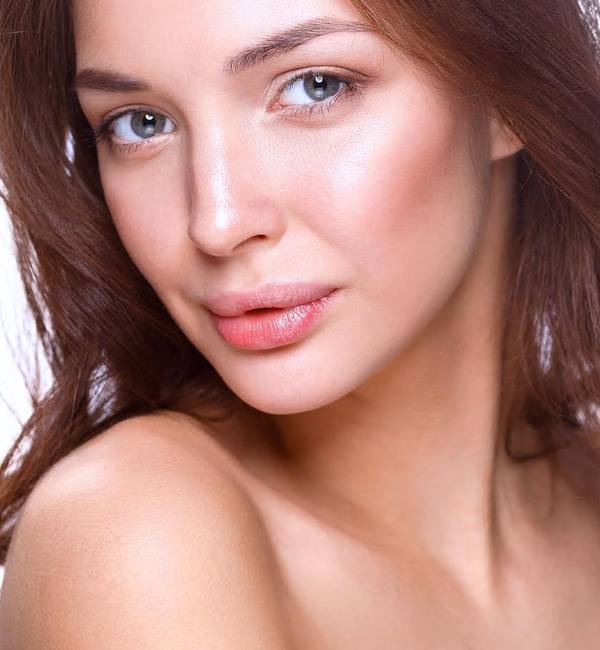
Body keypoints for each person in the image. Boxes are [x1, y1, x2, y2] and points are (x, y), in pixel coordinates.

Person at [0, 0, 599, 646]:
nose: (217, 223)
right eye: (140, 124)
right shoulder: (135, 534)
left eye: (315, 87)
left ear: (507, 91)